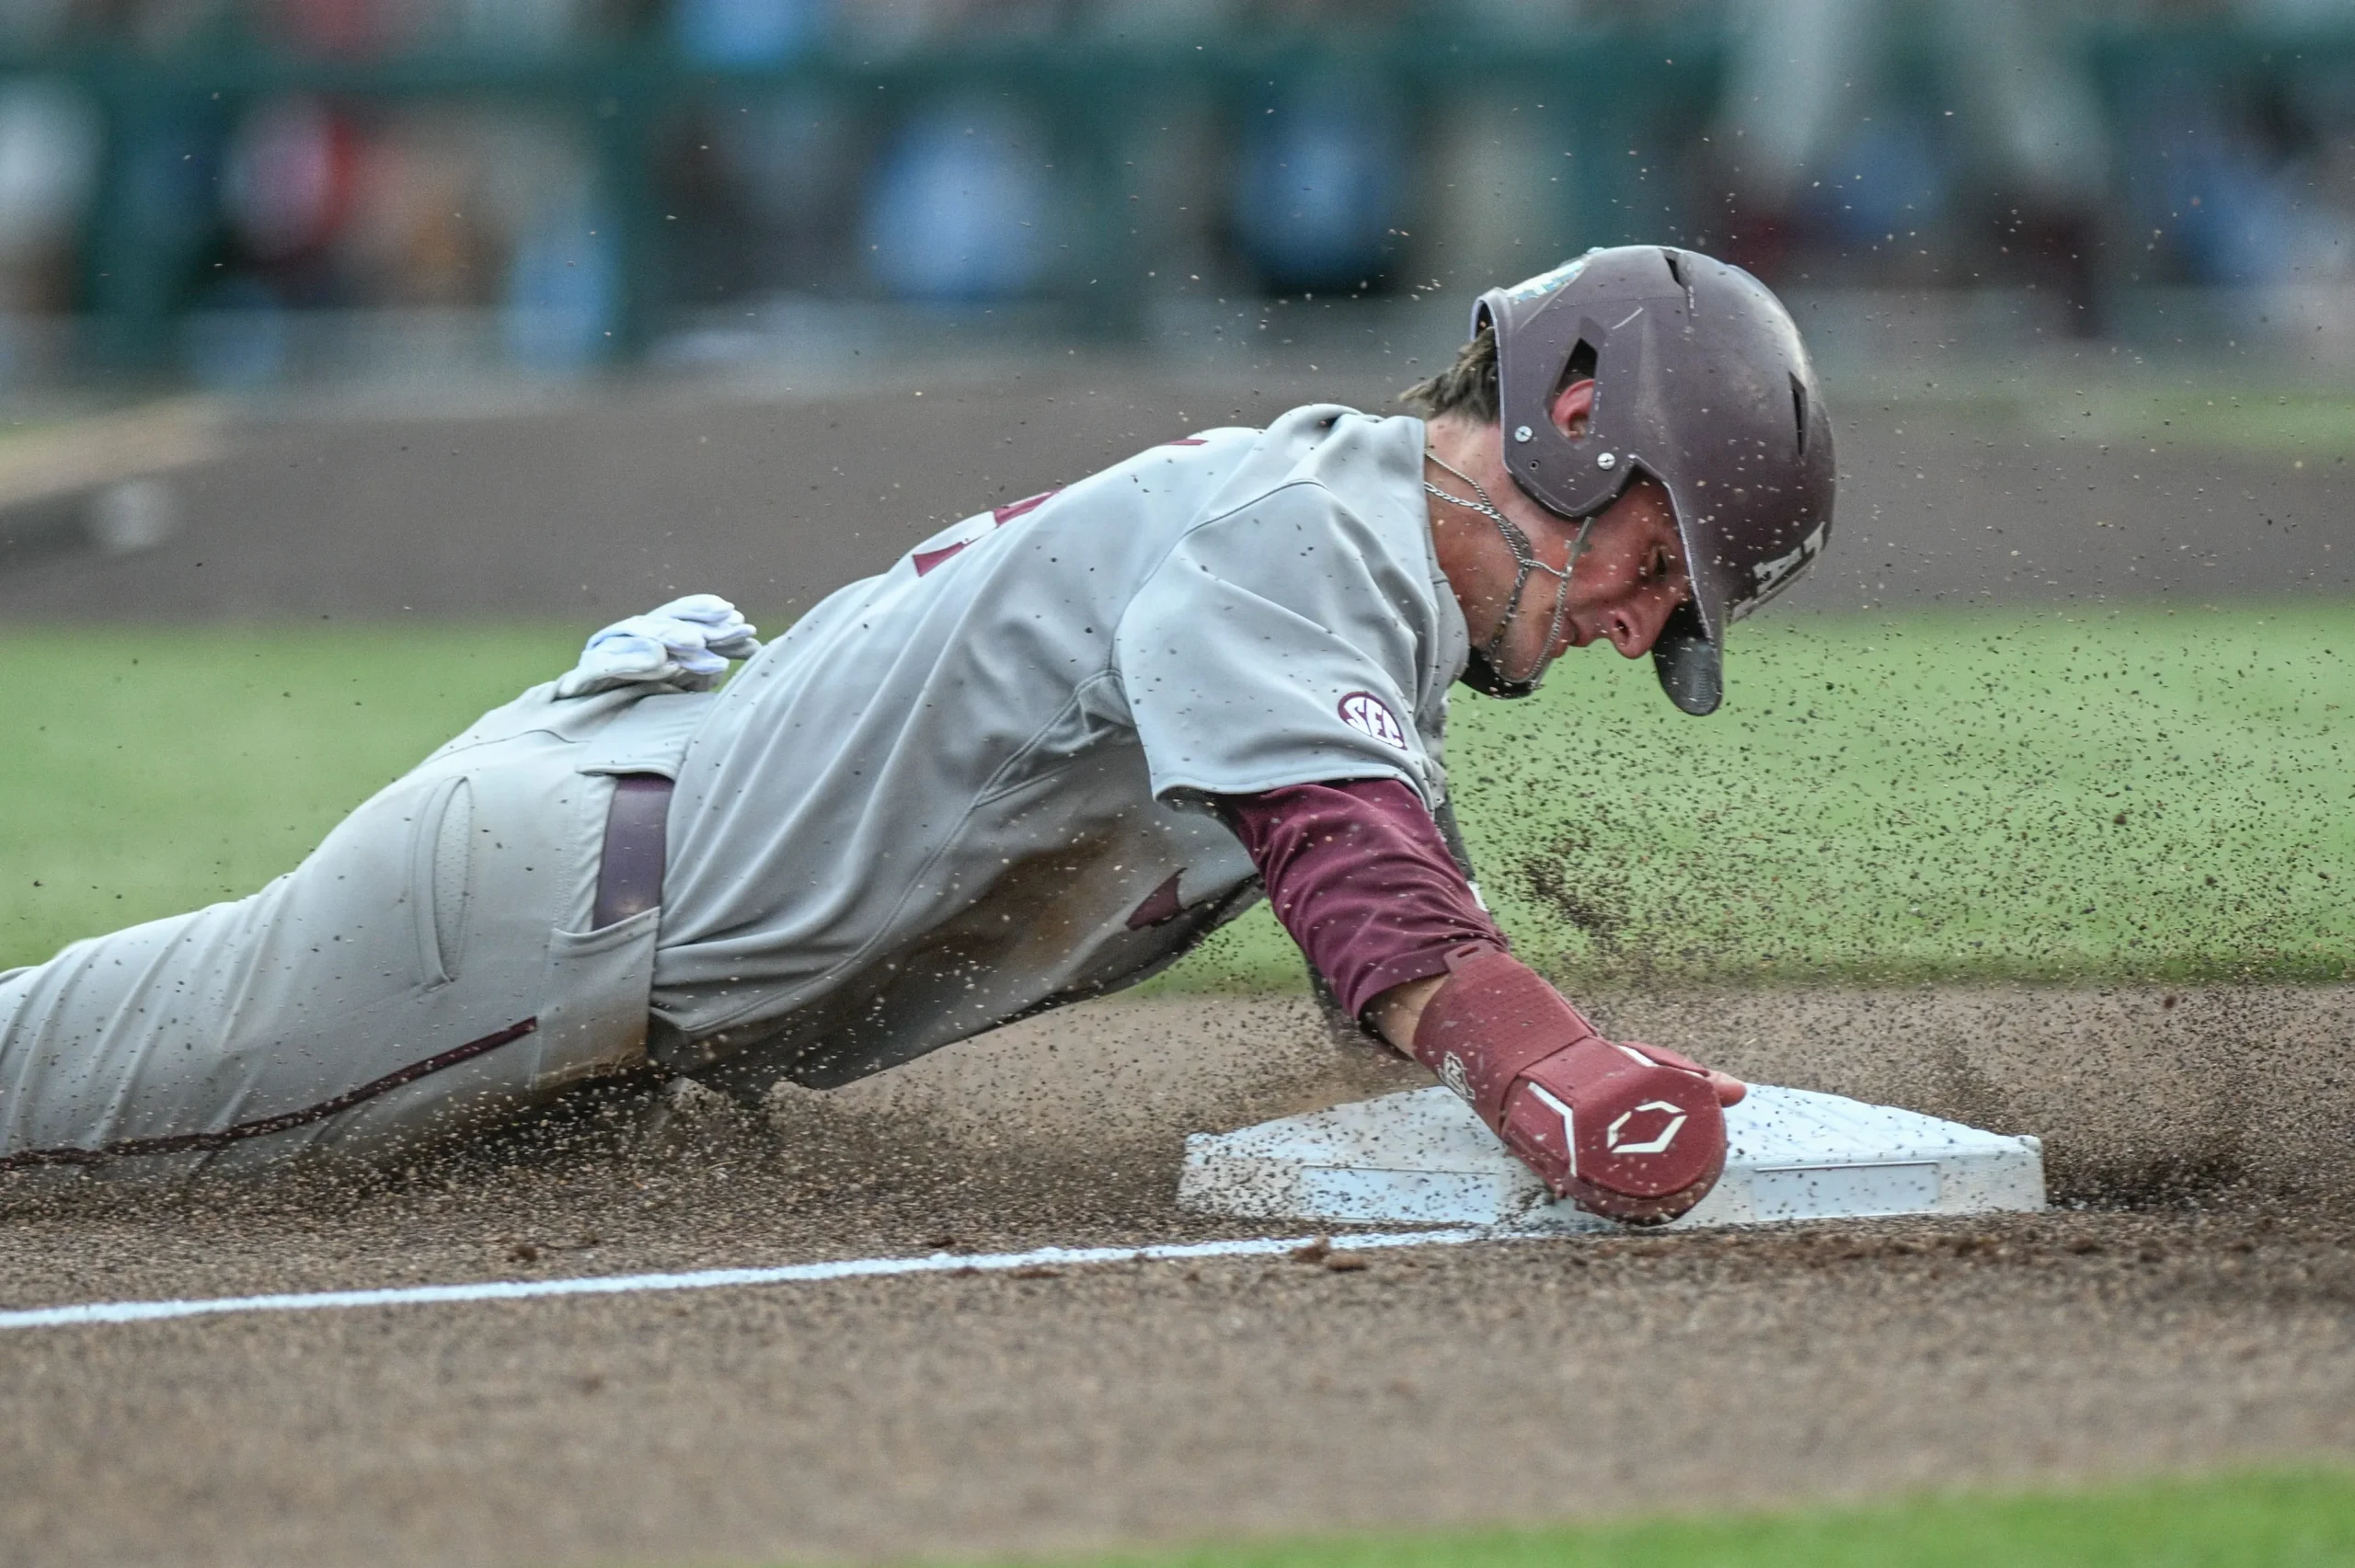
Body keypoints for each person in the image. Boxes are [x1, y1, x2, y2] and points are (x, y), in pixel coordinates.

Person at [0, 246, 1834, 1223]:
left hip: (604, 877)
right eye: (1651, 565)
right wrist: (1554, 1071)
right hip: (522, 930)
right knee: (45, 1103)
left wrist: (1532, 1039)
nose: (1630, 628)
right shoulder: (1301, 540)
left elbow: (1372, 889)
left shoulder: (1346, 568)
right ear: (1568, 415)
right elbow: (1375, 902)